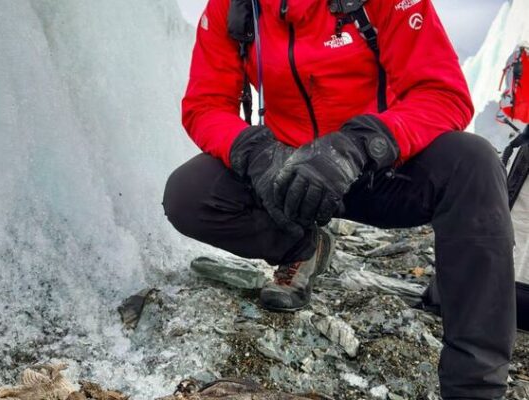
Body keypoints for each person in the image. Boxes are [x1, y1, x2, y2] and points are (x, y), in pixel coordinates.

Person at [163, 0, 516, 398]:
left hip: (381, 169)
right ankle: (301, 245)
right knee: (189, 194)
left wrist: (360, 145)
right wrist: (255, 152)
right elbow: (205, 104)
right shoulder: (234, 8)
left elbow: (443, 94)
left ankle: (475, 387)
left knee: (474, 163)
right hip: (292, 179)